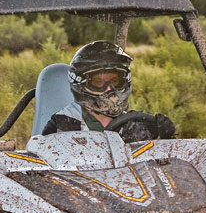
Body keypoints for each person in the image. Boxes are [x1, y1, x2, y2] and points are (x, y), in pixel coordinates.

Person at [41, 40, 176, 142]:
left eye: (115, 81)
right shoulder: (64, 123)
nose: (109, 89)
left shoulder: (137, 125)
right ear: (81, 84)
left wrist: (164, 138)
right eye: (99, 83)